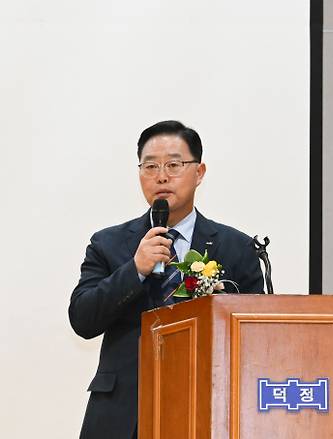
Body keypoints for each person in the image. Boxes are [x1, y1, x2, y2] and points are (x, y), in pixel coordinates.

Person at [69, 121, 264, 439]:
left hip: (206, 409)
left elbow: (256, 339)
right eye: (150, 166)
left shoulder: (236, 248)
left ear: (199, 172)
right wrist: (135, 270)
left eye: (174, 165)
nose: (161, 176)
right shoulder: (109, 243)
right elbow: (82, 320)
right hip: (122, 414)